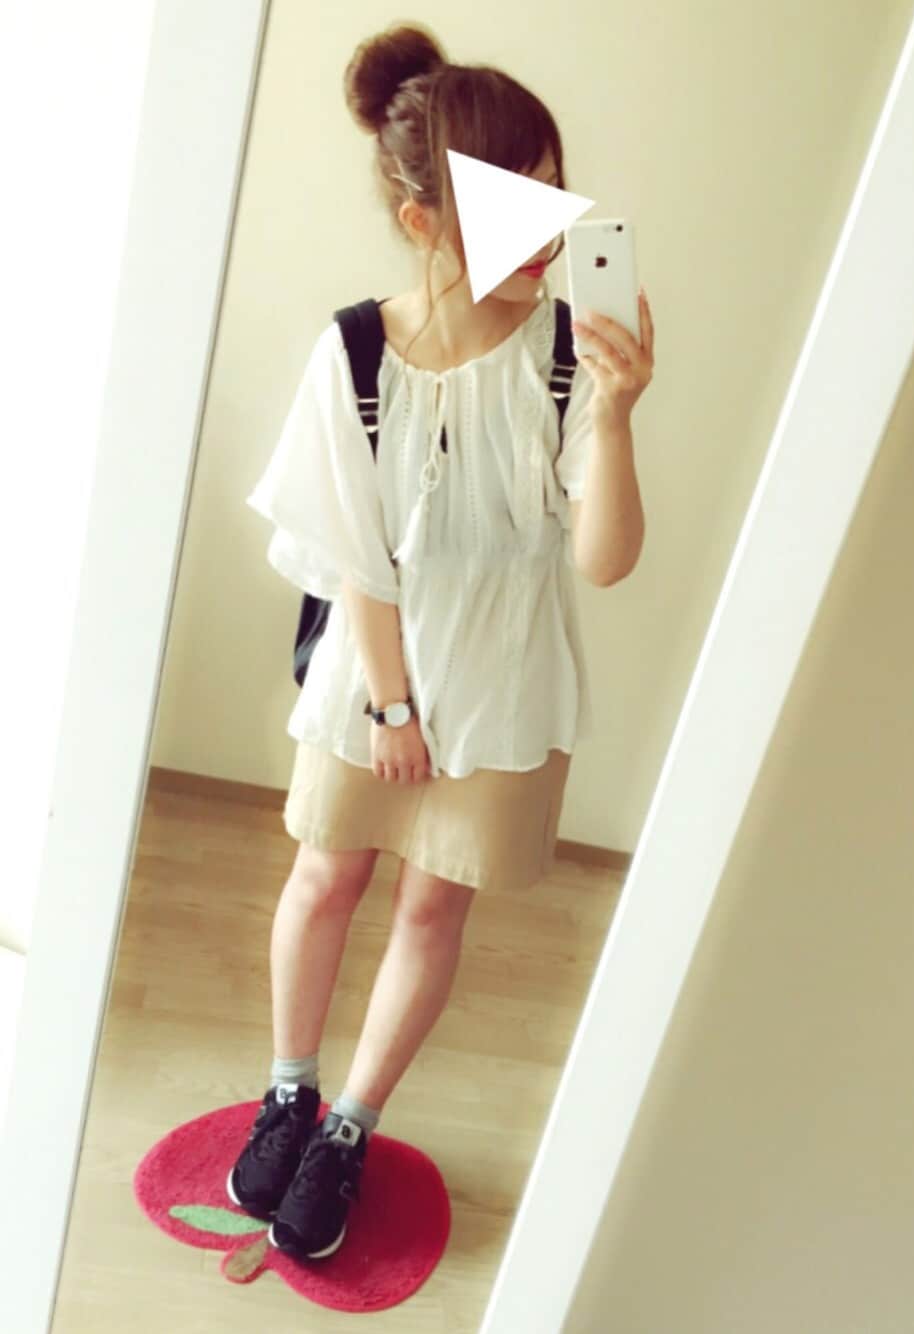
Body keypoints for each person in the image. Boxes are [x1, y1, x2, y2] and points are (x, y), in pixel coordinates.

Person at [229, 21, 654, 1263]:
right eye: (514, 208)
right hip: (377, 683)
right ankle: (289, 1090)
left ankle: (348, 1127)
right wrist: (393, 707)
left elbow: (604, 559)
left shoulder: (566, 358)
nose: (551, 236)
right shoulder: (355, 352)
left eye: (552, 195)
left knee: (430, 910)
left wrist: (619, 413)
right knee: (326, 876)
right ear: (425, 223)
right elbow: (352, 552)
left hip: (506, 685)